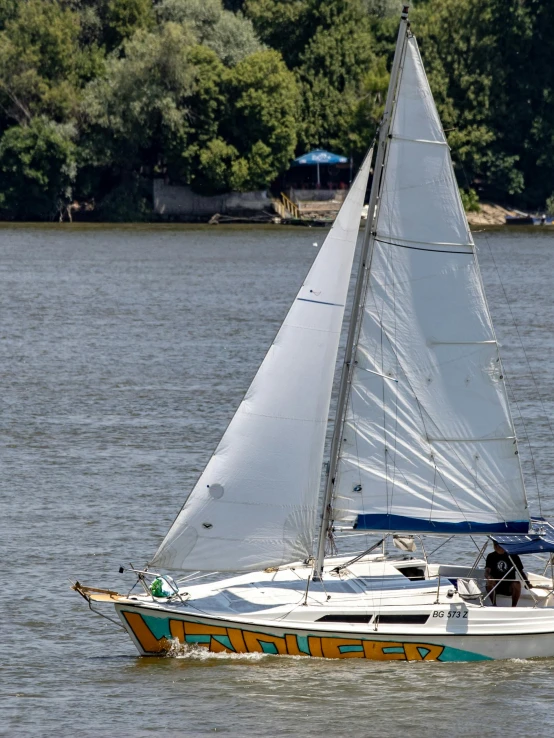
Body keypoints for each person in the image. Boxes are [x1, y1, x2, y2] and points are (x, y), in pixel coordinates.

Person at [485, 541, 531, 607]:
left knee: (517, 583)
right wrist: (488, 576)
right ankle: (494, 604)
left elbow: (520, 572)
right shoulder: (491, 556)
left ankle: (513, 606)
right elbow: (487, 571)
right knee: (489, 582)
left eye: (499, 545)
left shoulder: (514, 556)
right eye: (495, 544)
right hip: (495, 585)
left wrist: (527, 583)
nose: (496, 546)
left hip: (509, 586)